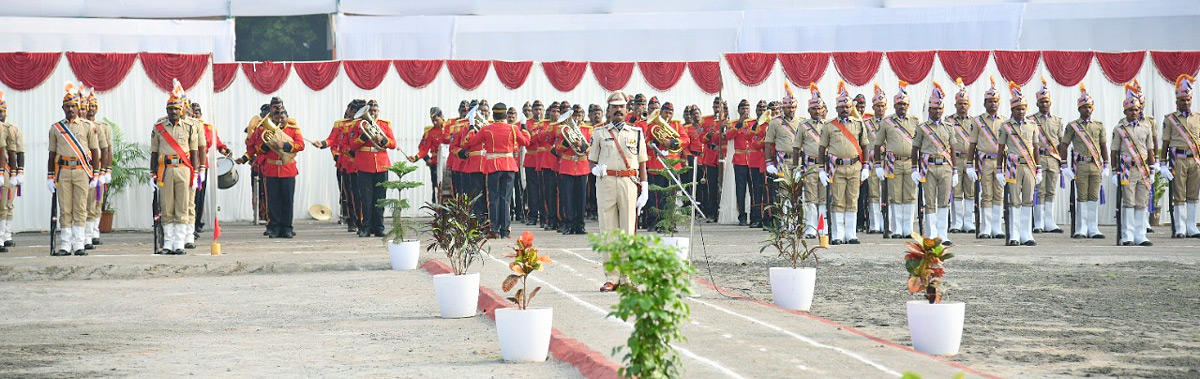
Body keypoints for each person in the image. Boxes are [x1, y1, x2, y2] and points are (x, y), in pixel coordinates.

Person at [590, 91, 648, 292]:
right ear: (608, 110)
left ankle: (627, 276)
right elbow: (592, 158)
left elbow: (642, 163)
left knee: (628, 231)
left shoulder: (637, 133)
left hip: (628, 182)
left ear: (627, 109)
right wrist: (594, 169)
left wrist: (645, 188)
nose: (618, 110)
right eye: (614, 107)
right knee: (608, 231)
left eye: (621, 107)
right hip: (606, 182)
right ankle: (612, 277)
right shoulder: (599, 133)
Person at [818, 82, 872, 245]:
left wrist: (866, 165)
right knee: (838, 201)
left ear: (851, 108)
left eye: (847, 107)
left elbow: (865, 145)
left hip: (855, 167)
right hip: (837, 168)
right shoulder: (829, 126)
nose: (845, 110)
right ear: (836, 109)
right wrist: (821, 169)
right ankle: (837, 234)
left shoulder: (859, 124)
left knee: (852, 199)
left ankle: (851, 234)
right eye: (842, 107)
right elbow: (822, 148)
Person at [465, 103, 529, 238]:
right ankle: (505, 230)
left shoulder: (486, 129)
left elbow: (469, 142)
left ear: (493, 115)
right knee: (505, 199)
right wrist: (523, 126)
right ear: (505, 115)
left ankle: (494, 228)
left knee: (493, 198)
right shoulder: (513, 128)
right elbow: (526, 142)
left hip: (493, 166)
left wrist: (471, 127)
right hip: (509, 165)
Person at [148, 82, 197, 255]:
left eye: (177, 109)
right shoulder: (159, 127)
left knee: (182, 207)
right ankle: (168, 243)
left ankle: (179, 243)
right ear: (166, 110)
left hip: (184, 169)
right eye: (171, 109)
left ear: (182, 110)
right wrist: (152, 173)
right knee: (166, 207)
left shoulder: (190, 127)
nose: (174, 112)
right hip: (165, 170)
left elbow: (194, 151)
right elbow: (154, 152)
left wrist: (197, 173)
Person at [1059, 85, 1108, 239]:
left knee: (1093, 196)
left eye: (1089, 107)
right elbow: (1064, 145)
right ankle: (1081, 227)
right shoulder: (1073, 126)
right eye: (1084, 107)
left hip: (1095, 165)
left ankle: (1093, 228)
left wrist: (1106, 164)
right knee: (1081, 196)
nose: (1087, 110)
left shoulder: (1098, 125)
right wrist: (1064, 164)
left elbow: (1103, 145)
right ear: (1079, 109)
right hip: (1080, 165)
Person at [911, 82, 956, 245]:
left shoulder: (949, 127)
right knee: (929, 202)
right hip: (928, 168)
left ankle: (943, 235)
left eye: (939, 109)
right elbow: (915, 148)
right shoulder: (922, 128)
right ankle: (931, 235)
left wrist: (955, 170)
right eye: (934, 109)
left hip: (945, 167)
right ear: (929, 110)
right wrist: (914, 168)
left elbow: (952, 149)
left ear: (943, 110)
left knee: (944, 201)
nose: (937, 111)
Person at [1111, 83, 1156, 246]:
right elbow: (1114, 151)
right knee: (1128, 202)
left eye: (1136, 109)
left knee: (1141, 202)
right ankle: (1127, 234)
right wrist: (1114, 171)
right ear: (1125, 111)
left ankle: (1140, 235)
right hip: (1126, 169)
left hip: (1143, 169)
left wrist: (1152, 170)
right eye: (1130, 110)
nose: (1134, 112)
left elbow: (1150, 150)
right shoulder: (1119, 129)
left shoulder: (1146, 127)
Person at [996, 82, 1040, 247]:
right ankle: (1014, 235)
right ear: (1012, 110)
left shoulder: (1033, 125)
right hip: (1013, 166)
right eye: (1017, 109)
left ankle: (1026, 234)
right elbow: (1000, 149)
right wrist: (999, 170)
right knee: (1014, 201)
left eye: (1023, 108)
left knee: (1028, 200)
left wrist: (1039, 168)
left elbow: (1036, 148)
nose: (1020, 111)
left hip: (1029, 166)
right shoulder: (1005, 126)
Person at [966, 77, 1010, 239]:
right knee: (986, 194)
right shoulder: (977, 121)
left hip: (1001, 163)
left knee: (999, 194)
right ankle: (986, 227)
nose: (993, 104)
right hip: (984, 162)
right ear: (985, 104)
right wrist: (969, 165)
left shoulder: (1005, 121)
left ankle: (997, 227)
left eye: (995, 101)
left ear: (999, 103)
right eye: (989, 101)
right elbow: (972, 144)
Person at [251, 103, 304, 238]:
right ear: (272, 118)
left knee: (287, 200)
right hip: (272, 169)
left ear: (287, 117)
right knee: (273, 201)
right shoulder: (265, 131)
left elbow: (300, 145)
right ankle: (274, 227)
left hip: (288, 169)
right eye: (277, 116)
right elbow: (257, 149)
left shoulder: (293, 130)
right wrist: (267, 145)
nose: (280, 119)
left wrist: (285, 145)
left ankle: (287, 227)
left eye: (282, 116)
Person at [346, 100, 396, 237]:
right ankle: (365, 227)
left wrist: (383, 139)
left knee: (380, 198)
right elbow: (352, 145)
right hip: (364, 164)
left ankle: (379, 227)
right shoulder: (358, 125)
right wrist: (363, 137)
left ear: (378, 111)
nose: (373, 113)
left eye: (375, 110)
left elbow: (393, 143)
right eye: (370, 111)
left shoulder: (384, 125)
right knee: (366, 199)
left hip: (381, 164)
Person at [876, 81, 919, 238]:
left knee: (909, 195)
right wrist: (878, 166)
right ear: (894, 106)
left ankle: (908, 228)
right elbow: (877, 144)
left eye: (904, 104)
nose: (902, 106)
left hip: (910, 162)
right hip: (893, 163)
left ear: (908, 106)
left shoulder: (915, 121)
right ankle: (897, 228)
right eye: (899, 104)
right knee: (895, 196)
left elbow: (920, 144)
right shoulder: (887, 122)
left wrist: (918, 166)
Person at [1161, 74, 1200, 238]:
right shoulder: (1170, 119)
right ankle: (1180, 227)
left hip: (1195, 160)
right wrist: (1162, 163)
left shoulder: (1198, 118)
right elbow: (1165, 143)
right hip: (1178, 161)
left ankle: (1192, 227)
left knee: (1193, 194)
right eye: (1182, 100)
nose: (1185, 102)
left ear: (1191, 100)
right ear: (1177, 101)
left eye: (1188, 99)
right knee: (1179, 195)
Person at [316, 100, 362, 231]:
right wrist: (323, 144)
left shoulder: (363, 124)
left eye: (355, 111)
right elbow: (332, 139)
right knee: (348, 194)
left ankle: (364, 221)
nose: (352, 114)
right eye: (351, 110)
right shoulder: (340, 124)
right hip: (346, 164)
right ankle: (351, 220)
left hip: (363, 164)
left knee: (362, 195)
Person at [645, 102, 689, 232]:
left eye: (670, 113)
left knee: (672, 194)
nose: (668, 115)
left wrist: (673, 142)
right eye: (666, 113)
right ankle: (660, 223)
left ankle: (670, 222)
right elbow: (647, 141)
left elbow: (686, 140)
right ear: (661, 113)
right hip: (658, 163)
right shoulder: (653, 125)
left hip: (673, 163)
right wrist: (655, 141)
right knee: (659, 195)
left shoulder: (677, 124)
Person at [791, 84, 828, 239]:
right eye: (814, 109)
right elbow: (796, 148)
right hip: (810, 166)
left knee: (824, 199)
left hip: (825, 167)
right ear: (809, 110)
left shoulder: (828, 125)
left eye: (820, 109)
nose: (817, 111)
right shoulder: (803, 125)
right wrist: (796, 169)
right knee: (811, 200)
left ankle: (823, 228)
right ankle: (811, 228)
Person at [190, 102, 231, 239]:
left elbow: (218, 143)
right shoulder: (185, 126)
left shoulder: (207, 128)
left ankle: (195, 224)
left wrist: (225, 150)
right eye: (193, 112)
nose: (195, 114)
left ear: (201, 114)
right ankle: (188, 225)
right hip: (186, 165)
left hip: (201, 165)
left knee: (199, 197)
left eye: (197, 112)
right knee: (189, 197)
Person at [77, 89, 111, 250]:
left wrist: (106, 171)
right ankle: (81, 235)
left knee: (95, 202)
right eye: (85, 106)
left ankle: (92, 233)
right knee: (80, 203)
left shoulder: (102, 127)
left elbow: (107, 150)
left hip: (94, 167)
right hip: (80, 168)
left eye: (92, 106)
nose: (89, 109)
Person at [1029, 78, 1064, 233]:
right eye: (1041, 102)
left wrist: (1063, 162)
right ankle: (1038, 222)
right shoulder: (1031, 120)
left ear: (1050, 103)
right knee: (1039, 190)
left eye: (1046, 102)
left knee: (1050, 191)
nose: (1044, 104)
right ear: (1037, 103)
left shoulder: (1057, 120)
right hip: (1038, 159)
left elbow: (1061, 142)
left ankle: (1050, 221)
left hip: (1053, 159)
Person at [765, 84, 800, 229]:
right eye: (787, 107)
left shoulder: (801, 122)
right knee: (785, 192)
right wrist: (768, 163)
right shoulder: (775, 123)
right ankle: (786, 223)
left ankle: (796, 222)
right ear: (783, 108)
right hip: (782, 161)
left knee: (797, 191)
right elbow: (768, 143)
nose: (790, 110)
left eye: (792, 107)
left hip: (798, 160)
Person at [946, 78, 976, 234]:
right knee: (956, 191)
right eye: (960, 104)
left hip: (970, 160)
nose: (962, 106)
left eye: (965, 103)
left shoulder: (975, 122)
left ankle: (968, 222)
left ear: (968, 105)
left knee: (970, 191)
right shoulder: (948, 121)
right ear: (955, 105)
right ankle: (957, 223)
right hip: (955, 159)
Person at [0, 90, 23, 250]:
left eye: (2, 111)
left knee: (7, 204)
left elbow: (18, 152)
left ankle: (5, 235)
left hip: (7, 171)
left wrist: (18, 173)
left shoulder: (12, 129)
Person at [863, 85, 888, 234]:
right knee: (874, 193)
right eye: (877, 106)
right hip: (873, 161)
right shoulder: (867, 124)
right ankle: (874, 223)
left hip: (888, 160)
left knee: (889, 192)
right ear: (873, 107)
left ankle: (888, 222)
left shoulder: (892, 122)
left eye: (883, 106)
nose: (880, 109)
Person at [727, 100, 754, 226]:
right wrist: (739, 123)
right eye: (743, 109)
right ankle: (742, 215)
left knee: (754, 189)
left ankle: (754, 215)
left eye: (747, 108)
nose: (745, 111)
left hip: (753, 160)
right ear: (738, 111)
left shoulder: (754, 123)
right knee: (740, 189)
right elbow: (728, 136)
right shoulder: (733, 124)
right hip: (740, 159)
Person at [698, 97, 724, 222]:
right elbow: (701, 139)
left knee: (724, 186)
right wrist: (709, 134)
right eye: (715, 104)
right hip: (710, 155)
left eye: (719, 105)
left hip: (723, 154)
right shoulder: (706, 120)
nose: (717, 107)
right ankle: (711, 212)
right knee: (711, 186)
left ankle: (723, 211)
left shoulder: (727, 120)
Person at [524, 100, 544, 225]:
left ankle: (543, 216)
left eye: (540, 109)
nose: (538, 112)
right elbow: (528, 140)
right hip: (531, 159)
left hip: (542, 160)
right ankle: (532, 215)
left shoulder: (546, 123)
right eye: (536, 110)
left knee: (543, 189)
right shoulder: (527, 123)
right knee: (532, 190)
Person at [586, 104, 603, 220]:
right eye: (594, 113)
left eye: (598, 113)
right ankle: (591, 209)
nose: (596, 115)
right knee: (590, 187)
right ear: (589, 115)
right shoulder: (586, 127)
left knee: (601, 187)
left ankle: (599, 209)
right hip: (589, 161)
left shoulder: (604, 127)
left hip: (601, 161)